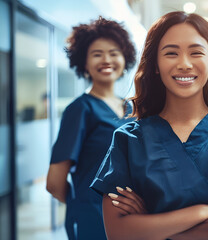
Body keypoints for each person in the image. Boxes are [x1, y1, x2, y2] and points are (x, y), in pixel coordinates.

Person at [90, 11, 208, 240]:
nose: (184, 64)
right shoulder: (127, 139)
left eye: (196, 52)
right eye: (171, 53)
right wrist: (201, 211)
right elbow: (119, 233)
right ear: (156, 64)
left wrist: (151, 225)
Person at [46, 17, 136, 240]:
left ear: (125, 58)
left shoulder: (130, 108)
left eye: (114, 53)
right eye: (97, 54)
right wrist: (86, 204)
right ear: (84, 63)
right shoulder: (80, 109)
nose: (107, 59)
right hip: (93, 221)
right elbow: (54, 183)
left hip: (131, 218)